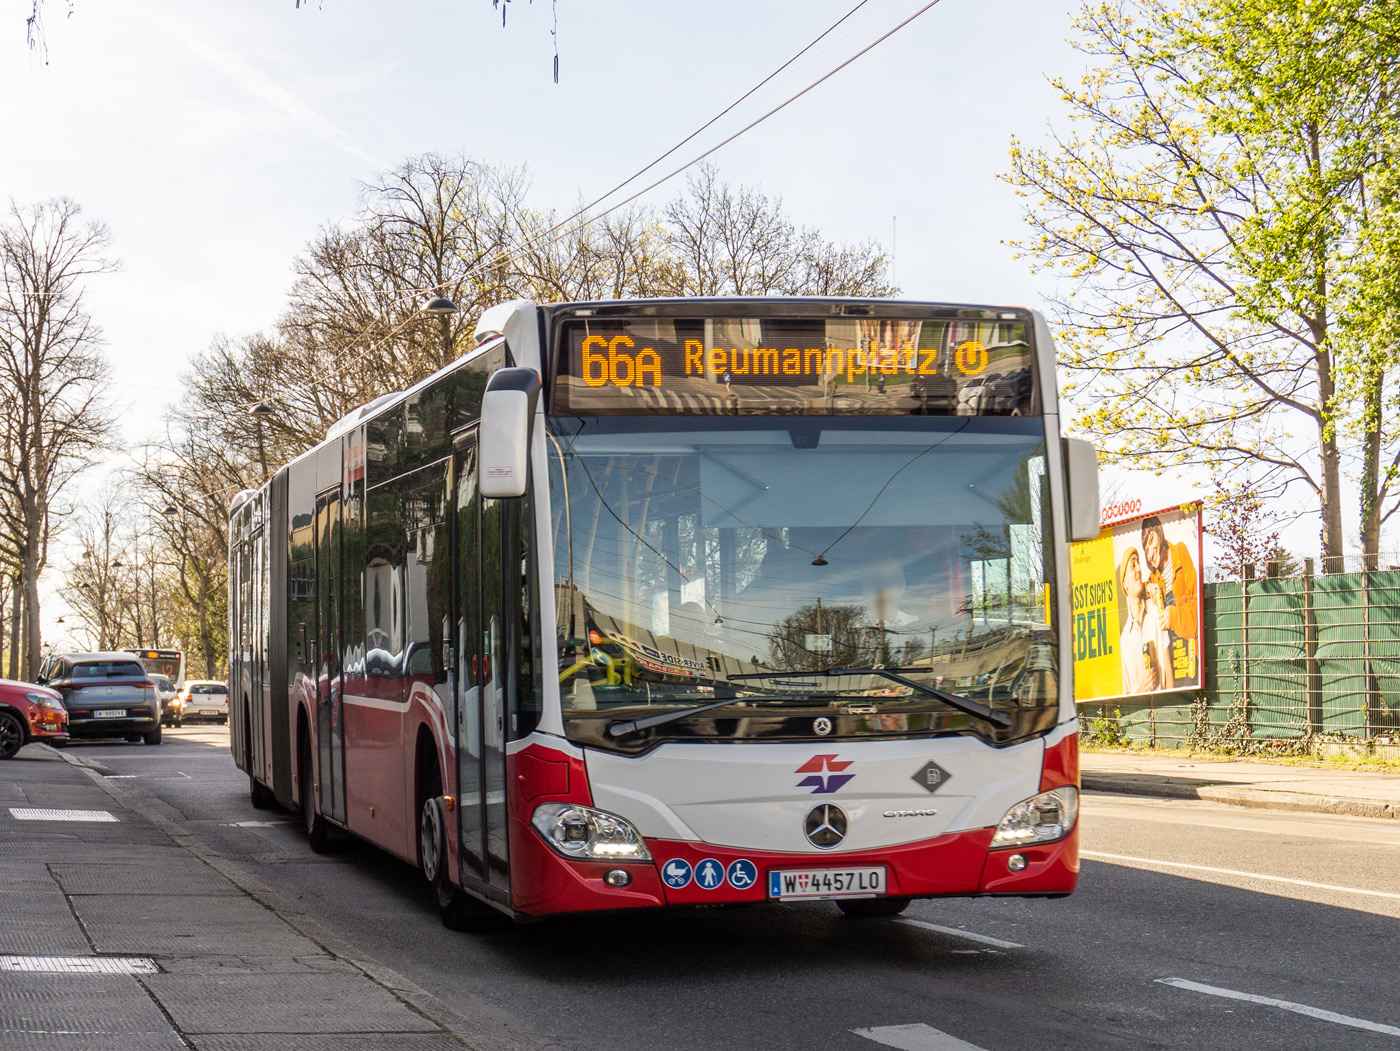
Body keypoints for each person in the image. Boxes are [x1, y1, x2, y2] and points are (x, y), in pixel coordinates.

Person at [1117, 547, 1172, 694]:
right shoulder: (1124, 641)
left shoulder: (1155, 613)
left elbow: (1169, 675)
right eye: (1133, 565)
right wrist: (1143, 689)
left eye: (1139, 564)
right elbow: (1126, 695)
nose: (1139, 569)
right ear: (1124, 584)